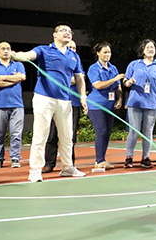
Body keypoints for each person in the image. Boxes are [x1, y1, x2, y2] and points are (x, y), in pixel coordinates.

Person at [13, 23, 88, 182]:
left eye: (70, 31)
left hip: (65, 100)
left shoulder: (74, 56)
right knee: (41, 135)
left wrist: (82, 96)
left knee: (67, 137)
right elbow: (29, 55)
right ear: (55, 35)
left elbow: (80, 78)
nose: (67, 33)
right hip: (44, 98)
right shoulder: (44, 50)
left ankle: (67, 167)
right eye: (63, 30)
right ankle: (35, 170)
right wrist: (17, 55)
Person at [123, 39, 156, 169]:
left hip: (151, 103)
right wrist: (129, 82)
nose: (150, 49)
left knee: (148, 132)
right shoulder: (134, 64)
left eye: (152, 47)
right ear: (142, 50)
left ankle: (145, 158)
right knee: (134, 130)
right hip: (135, 103)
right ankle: (129, 157)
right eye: (148, 47)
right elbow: (125, 82)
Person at [43, 39, 83, 172]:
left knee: (70, 136)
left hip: (73, 104)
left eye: (74, 48)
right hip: (55, 102)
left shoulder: (75, 62)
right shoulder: (57, 62)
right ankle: (49, 163)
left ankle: (69, 164)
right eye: (70, 47)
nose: (72, 50)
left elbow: (79, 79)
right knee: (52, 134)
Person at [86, 42, 124, 171]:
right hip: (96, 105)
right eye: (105, 52)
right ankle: (99, 160)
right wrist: (114, 79)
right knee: (101, 131)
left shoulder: (113, 68)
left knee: (107, 132)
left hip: (110, 105)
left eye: (109, 52)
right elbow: (98, 85)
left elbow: (118, 86)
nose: (107, 55)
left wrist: (119, 99)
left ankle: (102, 159)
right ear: (98, 53)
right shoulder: (94, 68)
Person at [0, 41, 26, 168]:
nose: (6, 51)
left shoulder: (18, 65)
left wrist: (2, 77)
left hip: (17, 105)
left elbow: (22, 77)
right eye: (3, 49)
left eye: (8, 48)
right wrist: (13, 81)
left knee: (16, 134)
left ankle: (15, 158)